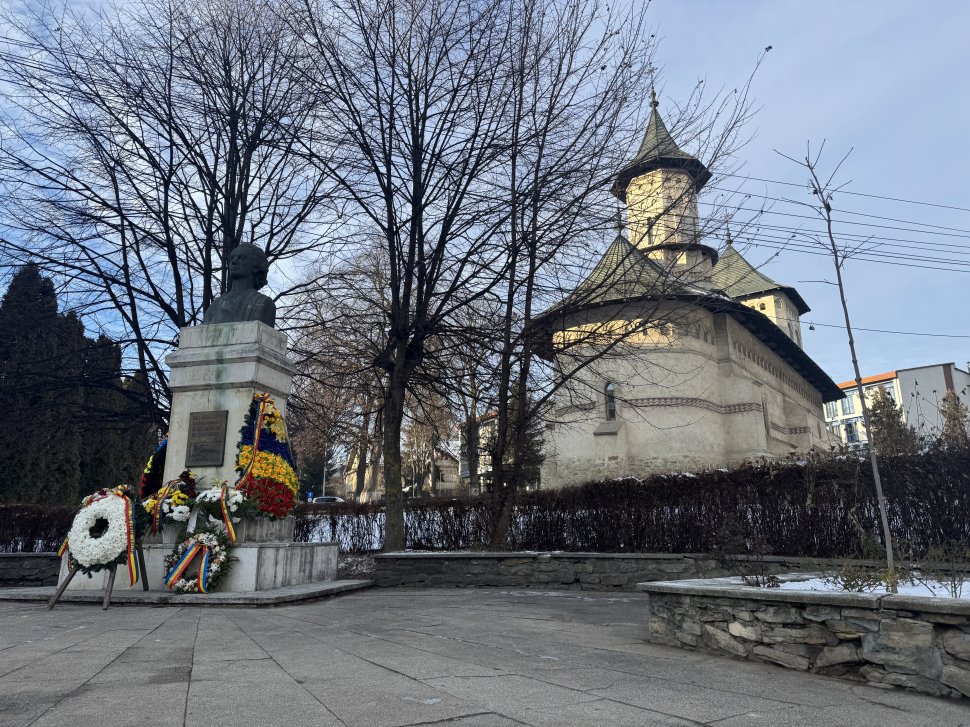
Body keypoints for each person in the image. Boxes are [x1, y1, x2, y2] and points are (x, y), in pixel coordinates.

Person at [202, 244, 276, 327]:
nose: (233, 261)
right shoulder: (215, 305)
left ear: (255, 267)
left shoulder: (263, 303)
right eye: (232, 258)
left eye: (241, 257)